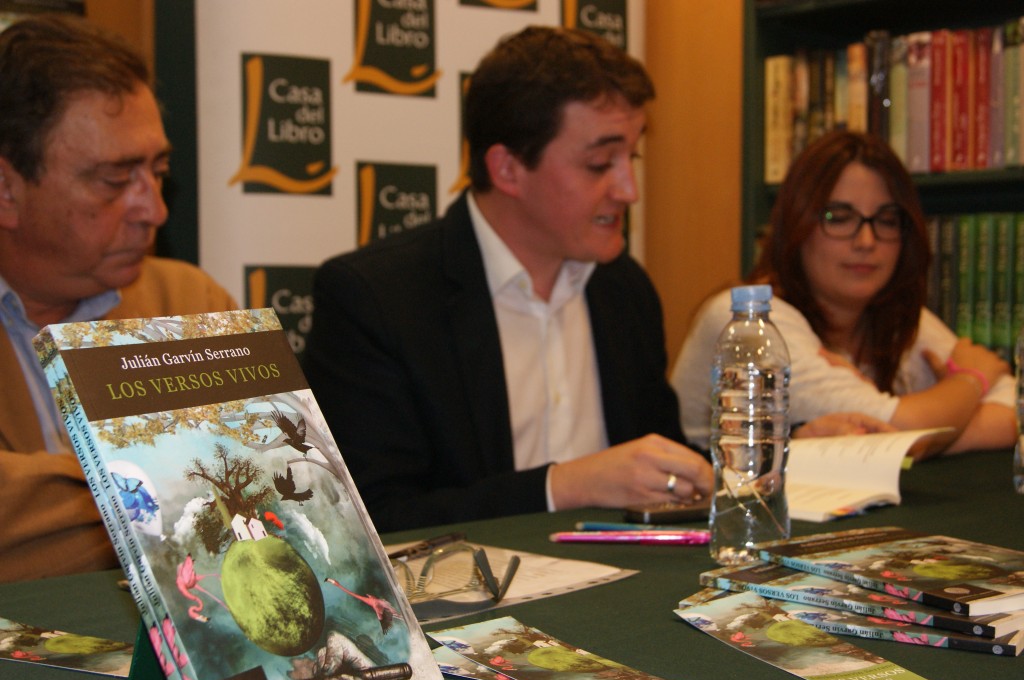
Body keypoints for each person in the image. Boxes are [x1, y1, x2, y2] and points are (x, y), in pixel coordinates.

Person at [304, 25, 713, 533]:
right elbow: (371, 521)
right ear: (507, 170)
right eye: (599, 164)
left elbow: (660, 465)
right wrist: (562, 487)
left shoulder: (624, 290)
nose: (629, 190)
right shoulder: (377, 298)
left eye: (632, 157)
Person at [0, 14, 237, 582]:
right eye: (114, 180)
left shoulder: (190, 303)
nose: (155, 210)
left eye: (158, 171)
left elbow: (268, 496)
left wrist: (48, 492)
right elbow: (207, 503)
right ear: (6, 189)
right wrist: (164, 487)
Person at [672, 130, 1014, 457]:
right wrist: (973, 379)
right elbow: (897, 428)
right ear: (797, 225)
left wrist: (929, 436)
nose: (866, 241)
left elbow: (1014, 409)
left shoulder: (901, 317)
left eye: (886, 220)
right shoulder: (750, 322)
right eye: (838, 217)